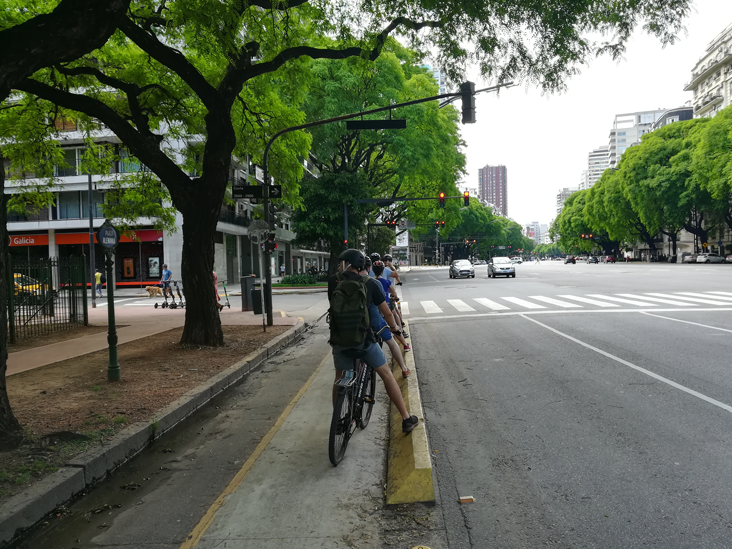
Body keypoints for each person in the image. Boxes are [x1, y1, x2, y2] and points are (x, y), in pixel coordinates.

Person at [328, 249, 418, 434]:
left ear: (346, 263)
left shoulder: (333, 281)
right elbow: (386, 312)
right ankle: (406, 418)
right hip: (365, 341)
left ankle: (338, 419)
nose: (339, 265)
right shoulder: (371, 284)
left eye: (341, 262)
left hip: (340, 341)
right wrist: (395, 329)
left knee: (339, 378)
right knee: (386, 374)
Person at [372, 261, 411, 352]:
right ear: (383, 271)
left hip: (375, 309)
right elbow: (393, 293)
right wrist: (395, 297)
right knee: (394, 327)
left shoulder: (371, 282)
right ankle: (405, 345)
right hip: (386, 307)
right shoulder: (386, 282)